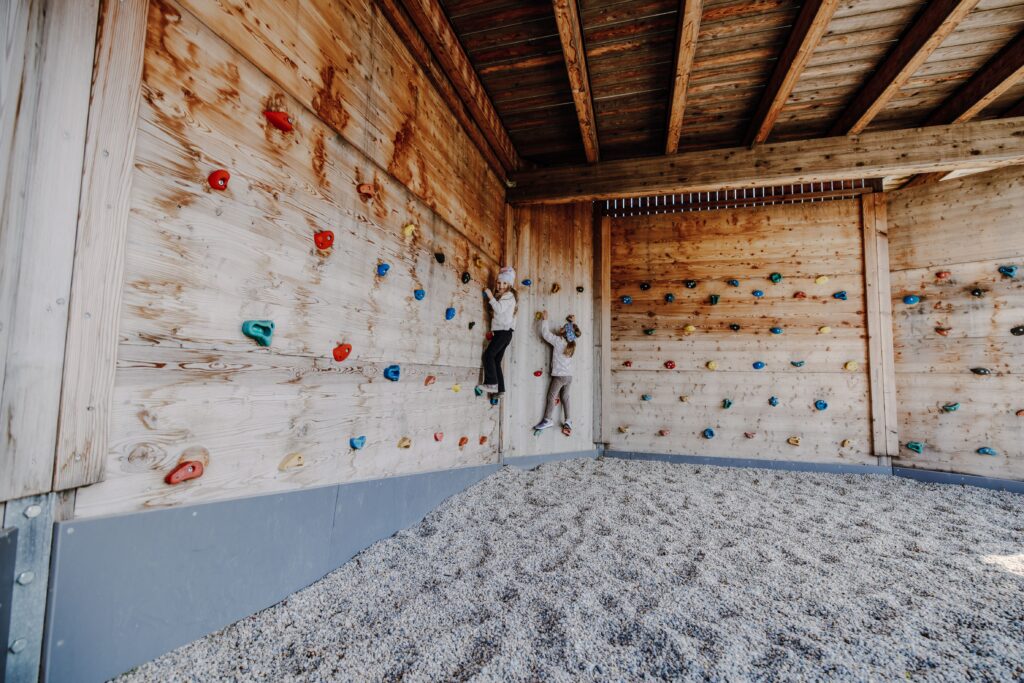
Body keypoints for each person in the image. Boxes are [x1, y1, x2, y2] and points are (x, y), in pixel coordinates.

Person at [533, 311, 581, 436]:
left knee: (551, 397)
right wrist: (572, 322)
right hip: (569, 376)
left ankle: (547, 419)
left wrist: (545, 320)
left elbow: (545, 334)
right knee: (565, 397)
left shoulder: (559, 341)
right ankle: (568, 420)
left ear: (564, 332)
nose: (561, 327)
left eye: (563, 328)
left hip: (559, 376)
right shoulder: (571, 343)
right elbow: (573, 332)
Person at [477, 266, 517, 396]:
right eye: (499, 282)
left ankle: (492, 383)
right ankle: (500, 389)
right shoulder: (505, 296)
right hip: (505, 333)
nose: (501, 286)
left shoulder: (509, 296)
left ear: (509, 284)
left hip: (503, 332)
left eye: (505, 283)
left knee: (488, 355)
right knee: (496, 361)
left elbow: (499, 309)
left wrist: (490, 296)